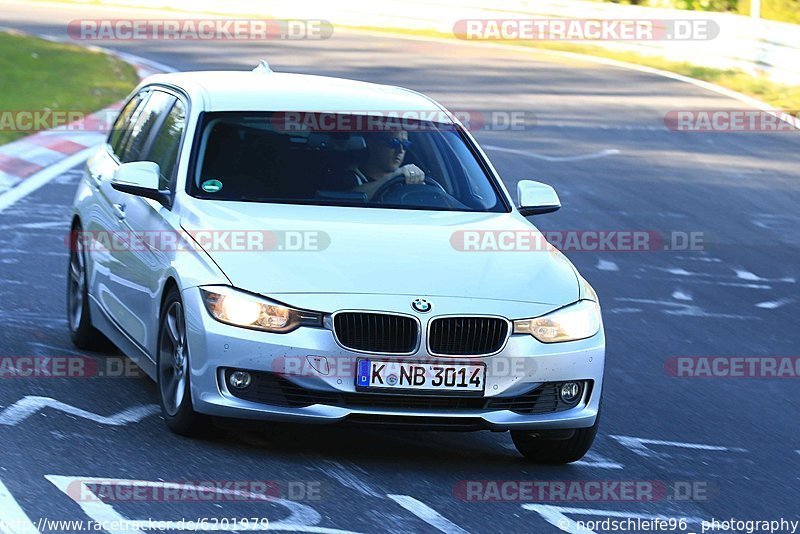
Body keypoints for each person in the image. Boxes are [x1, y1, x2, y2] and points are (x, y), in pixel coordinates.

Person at [344, 130, 426, 199]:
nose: (401, 150)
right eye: (394, 142)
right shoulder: (348, 178)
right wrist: (393, 177)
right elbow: (350, 199)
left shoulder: (407, 179)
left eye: (405, 144)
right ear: (372, 143)